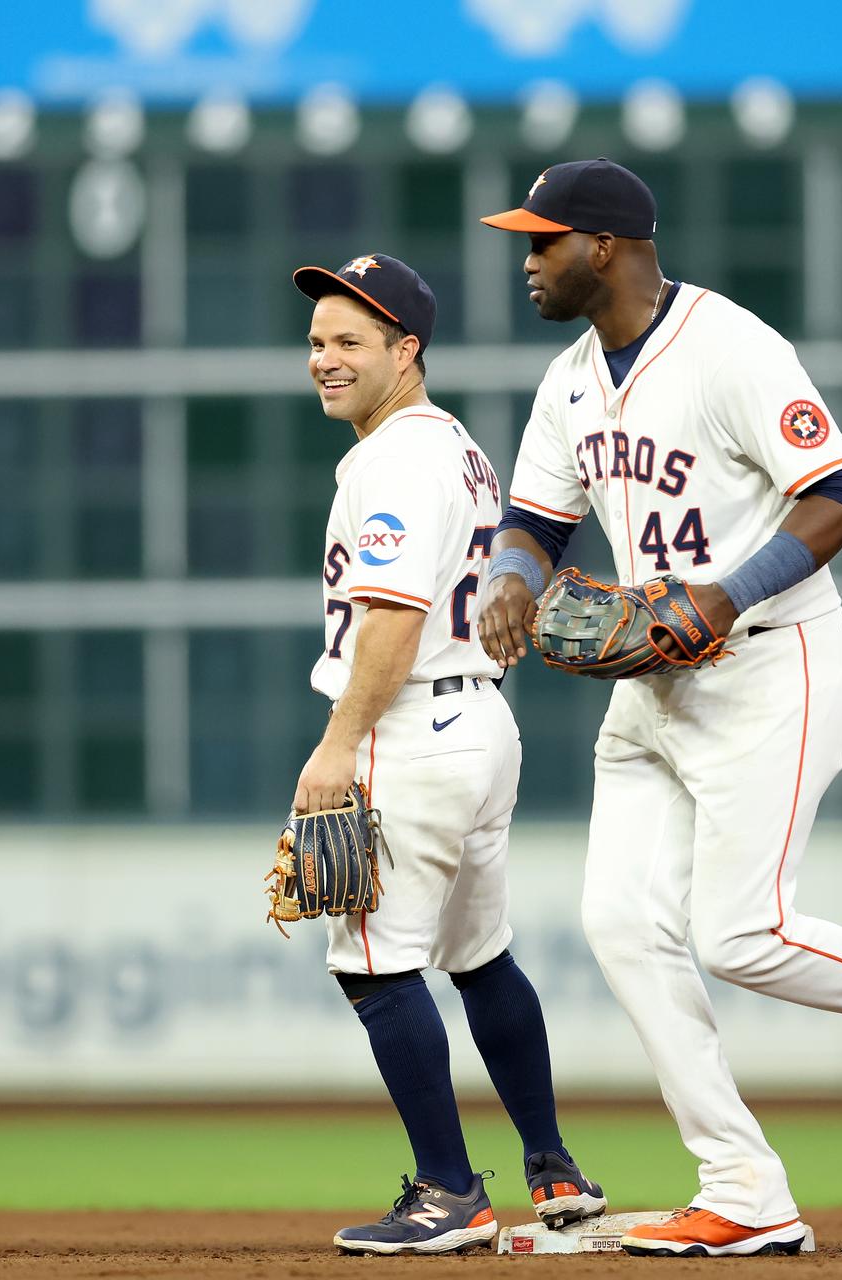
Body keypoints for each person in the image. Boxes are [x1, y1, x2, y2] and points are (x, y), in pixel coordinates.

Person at [476, 159, 842, 1258]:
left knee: (741, 935)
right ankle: (743, 1183)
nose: (528, 259)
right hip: (649, 683)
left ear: (606, 245)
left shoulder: (730, 346)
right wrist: (509, 573)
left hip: (771, 662)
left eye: (544, 240)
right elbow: (536, 523)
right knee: (620, 924)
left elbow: (841, 495)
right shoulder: (570, 381)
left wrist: (725, 591)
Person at [289, 253, 607, 1255]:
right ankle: (553, 1164)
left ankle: (448, 1190)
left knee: (374, 969)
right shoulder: (455, 446)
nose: (325, 360)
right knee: (479, 956)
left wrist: (338, 747)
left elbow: (391, 616)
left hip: (412, 725)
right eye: (316, 342)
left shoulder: (394, 461)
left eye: (350, 341)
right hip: (480, 726)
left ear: (406, 351)